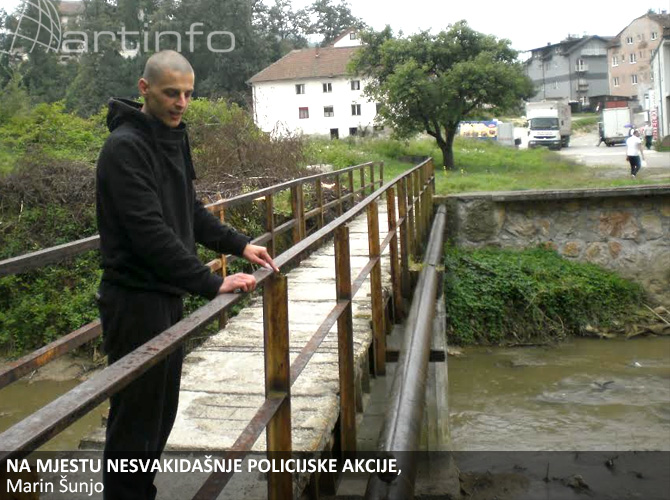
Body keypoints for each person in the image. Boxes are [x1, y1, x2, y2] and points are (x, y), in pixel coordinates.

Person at [95, 50, 279, 500]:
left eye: (188, 94)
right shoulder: (125, 148)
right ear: (144, 89)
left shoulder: (172, 136)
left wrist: (239, 244)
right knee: (136, 417)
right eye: (171, 93)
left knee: (160, 414)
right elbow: (149, 233)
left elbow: (188, 212)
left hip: (165, 296)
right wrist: (211, 281)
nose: (181, 102)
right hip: (135, 299)